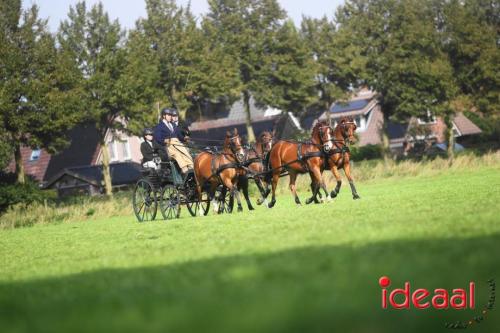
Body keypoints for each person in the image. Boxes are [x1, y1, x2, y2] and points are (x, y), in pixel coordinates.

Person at [153, 108, 194, 174]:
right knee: (177, 155)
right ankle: (185, 170)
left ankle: (192, 168)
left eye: (171, 115)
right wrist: (164, 140)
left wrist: (184, 138)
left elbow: (178, 135)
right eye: (169, 115)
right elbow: (157, 137)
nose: (170, 117)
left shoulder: (173, 125)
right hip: (168, 145)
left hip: (177, 143)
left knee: (186, 152)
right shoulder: (159, 126)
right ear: (164, 116)